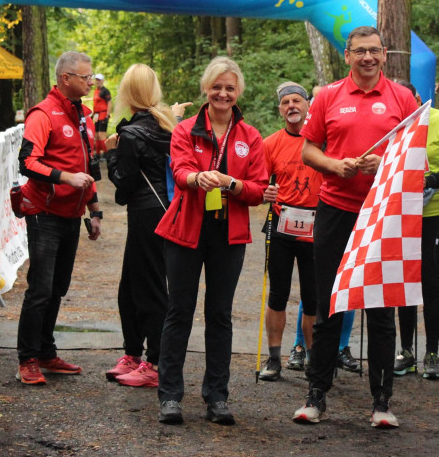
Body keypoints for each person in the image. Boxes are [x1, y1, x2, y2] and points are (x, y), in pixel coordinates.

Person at [292, 25, 418, 429]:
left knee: (381, 309)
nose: (367, 58)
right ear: (346, 55)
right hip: (335, 209)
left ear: (385, 55)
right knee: (330, 304)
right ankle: (316, 396)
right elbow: (308, 149)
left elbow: (415, 156)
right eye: (359, 51)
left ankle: (382, 402)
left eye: (375, 51)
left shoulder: (403, 97)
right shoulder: (328, 95)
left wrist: (386, 165)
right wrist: (334, 165)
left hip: (383, 213)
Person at [154, 57, 268, 426]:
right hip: (187, 229)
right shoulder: (186, 129)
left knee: (220, 315)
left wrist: (232, 184)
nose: (222, 93)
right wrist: (196, 177)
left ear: (238, 93)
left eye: (229, 88)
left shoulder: (250, 136)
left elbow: (258, 188)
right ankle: (170, 396)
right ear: (206, 88)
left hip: (228, 234)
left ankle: (217, 397)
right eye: (216, 86)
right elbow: (180, 168)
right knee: (179, 311)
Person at [15, 51, 103, 386]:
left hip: (72, 214)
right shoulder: (43, 114)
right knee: (40, 288)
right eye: (85, 77)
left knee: (58, 288)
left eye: (91, 76)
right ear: (65, 78)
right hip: (44, 213)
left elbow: (89, 168)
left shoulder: (83, 115)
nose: (90, 82)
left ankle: (46, 351)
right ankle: (27, 359)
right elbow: (27, 162)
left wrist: (95, 211)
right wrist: (64, 178)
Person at [104, 64, 176, 388]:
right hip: (163, 212)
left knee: (148, 289)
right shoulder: (165, 125)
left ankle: (156, 362)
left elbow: (123, 185)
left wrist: (111, 154)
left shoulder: (131, 134)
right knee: (130, 287)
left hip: (146, 214)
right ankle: (133, 353)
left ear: (127, 93)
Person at [394, 83, 439, 379]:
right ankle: (407, 351)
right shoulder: (392, 126)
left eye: (409, 101)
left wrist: (430, 180)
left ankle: (432, 353)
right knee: (405, 282)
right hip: (400, 214)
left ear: (419, 100)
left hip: (435, 213)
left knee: (431, 282)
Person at [258, 82, 321, 381]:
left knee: (312, 298)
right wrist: (264, 192)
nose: (291, 106)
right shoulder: (271, 143)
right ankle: (273, 359)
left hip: (315, 229)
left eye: (297, 100)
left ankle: (312, 359)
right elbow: (257, 182)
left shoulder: (323, 141)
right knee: (277, 295)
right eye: (286, 103)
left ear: (308, 105)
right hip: (281, 226)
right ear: (280, 109)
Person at [92, 73, 112, 162]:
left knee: (101, 135)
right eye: (96, 80)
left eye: (99, 80)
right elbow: (96, 104)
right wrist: (93, 113)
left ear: (103, 81)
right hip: (96, 115)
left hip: (103, 115)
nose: (97, 82)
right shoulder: (96, 91)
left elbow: (109, 103)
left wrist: (107, 115)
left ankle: (107, 154)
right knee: (96, 135)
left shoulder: (105, 91)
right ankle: (98, 155)